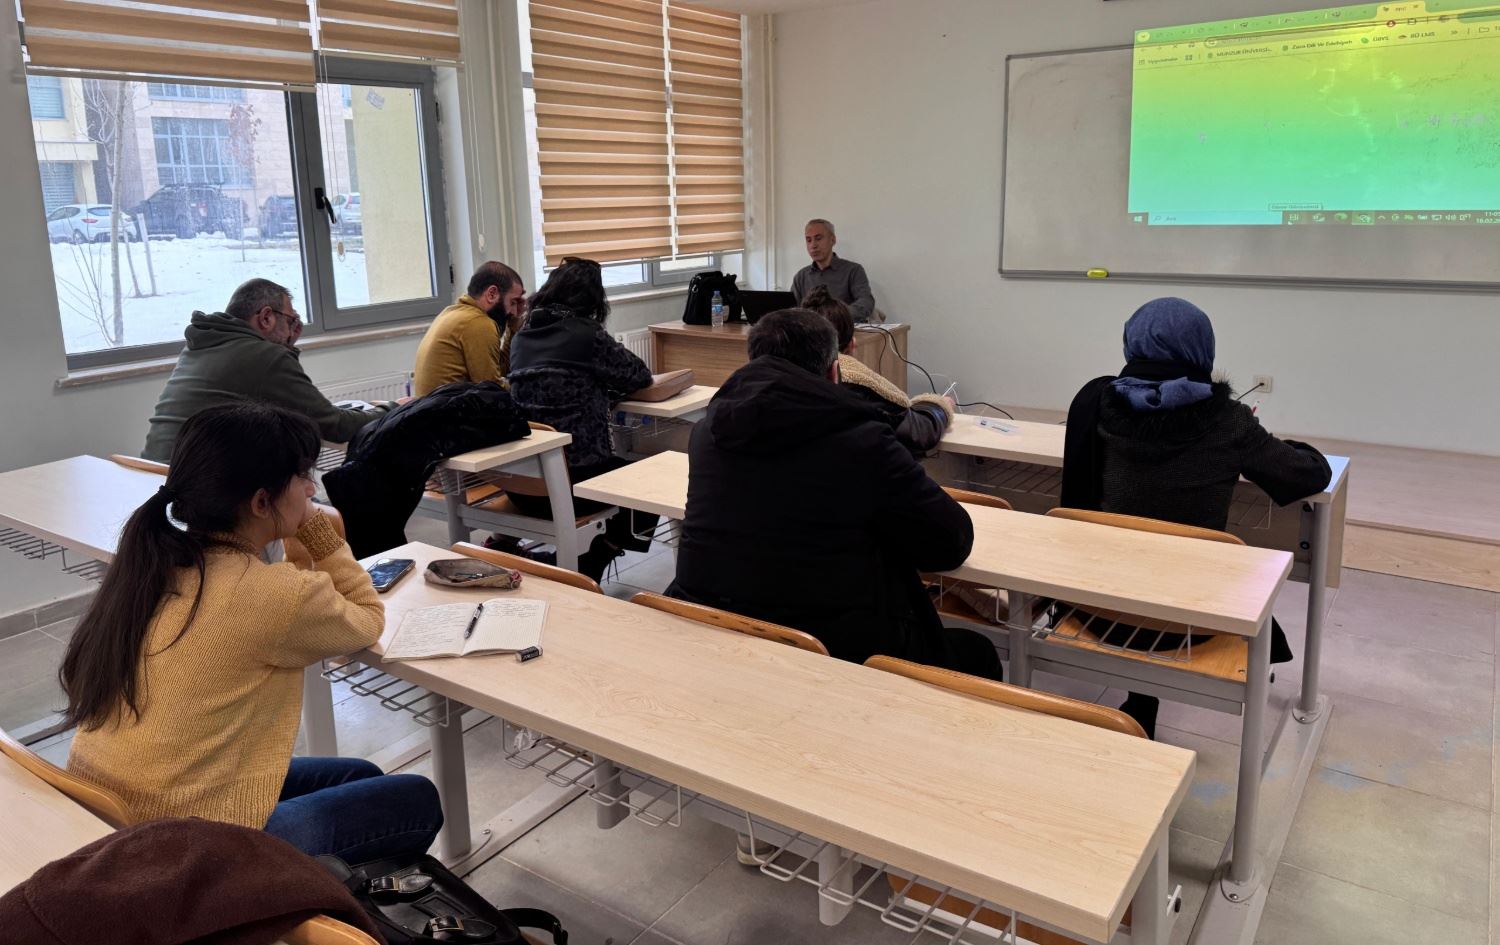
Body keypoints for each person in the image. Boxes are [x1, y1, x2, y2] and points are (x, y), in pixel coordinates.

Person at [63, 402, 443, 863]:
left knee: (358, 774)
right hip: (185, 849)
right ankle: (293, 896)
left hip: (113, 809)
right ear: (262, 502)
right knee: (416, 798)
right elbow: (367, 618)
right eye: (302, 477)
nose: (311, 488)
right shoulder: (273, 595)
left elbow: (294, 604)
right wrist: (321, 535)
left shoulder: (154, 567)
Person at [667, 308, 1001, 677]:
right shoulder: (862, 440)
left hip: (716, 629)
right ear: (834, 373)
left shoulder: (707, 433)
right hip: (832, 651)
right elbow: (951, 542)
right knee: (979, 653)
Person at [1061, 296, 1332, 737]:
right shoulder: (1228, 420)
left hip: (1094, 606)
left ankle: (1141, 700)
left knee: (1137, 557)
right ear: (1203, 350)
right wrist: (1298, 448)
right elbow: (1307, 474)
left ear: (1131, 342)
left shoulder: (1094, 402)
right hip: (1191, 621)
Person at [506, 258, 659, 580]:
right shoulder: (586, 335)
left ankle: (581, 557)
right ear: (592, 299)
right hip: (573, 487)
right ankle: (596, 558)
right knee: (651, 480)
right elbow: (639, 375)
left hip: (520, 487)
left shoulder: (520, 338)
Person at [142, 279, 387, 462]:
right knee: (301, 493)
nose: (293, 329)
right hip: (198, 490)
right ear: (266, 317)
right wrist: (393, 409)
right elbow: (336, 426)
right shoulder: (264, 356)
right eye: (291, 320)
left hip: (155, 475)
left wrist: (285, 347)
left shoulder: (203, 344)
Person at [803, 285, 953, 456]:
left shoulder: (786, 383)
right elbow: (920, 432)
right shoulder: (857, 388)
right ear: (852, 344)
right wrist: (939, 406)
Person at [413, 261, 527, 397]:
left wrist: (513, 326)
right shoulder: (478, 323)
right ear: (491, 294)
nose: (514, 311)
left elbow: (498, 369)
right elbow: (492, 391)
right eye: (512, 302)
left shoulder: (451, 312)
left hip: (432, 406)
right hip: (446, 409)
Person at [791, 218, 875, 323]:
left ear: (833, 240)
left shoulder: (853, 270)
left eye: (818, 238)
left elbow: (866, 302)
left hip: (843, 329)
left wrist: (837, 315)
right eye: (809, 240)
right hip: (811, 330)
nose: (813, 245)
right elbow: (790, 309)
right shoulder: (801, 276)